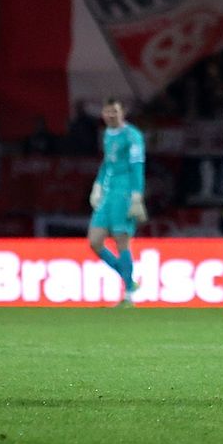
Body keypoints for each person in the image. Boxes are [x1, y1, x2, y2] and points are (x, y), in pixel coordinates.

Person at [88, 98, 147, 306]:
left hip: (124, 193)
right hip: (107, 192)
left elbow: (137, 166)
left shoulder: (132, 136)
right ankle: (129, 281)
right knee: (95, 241)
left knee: (121, 241)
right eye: (107, 111)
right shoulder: (107, 134)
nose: (111, 115)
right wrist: (97, 185)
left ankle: (128, 295)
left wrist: (137, 195)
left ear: (123, 112)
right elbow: (107, 162)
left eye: (115, 111)